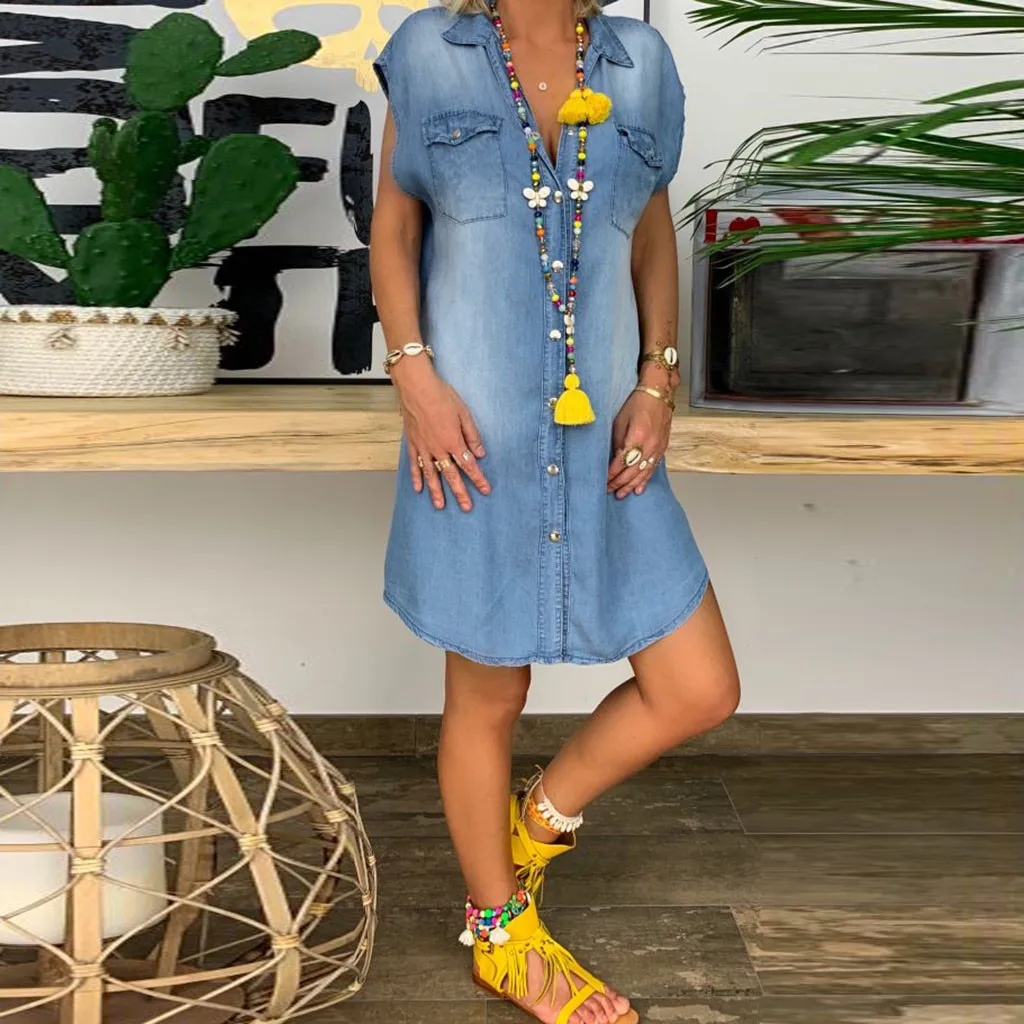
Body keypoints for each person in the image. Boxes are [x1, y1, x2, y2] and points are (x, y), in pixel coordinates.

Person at [370, 2, 740, 1021]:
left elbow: (650, 229)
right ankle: (503, 937)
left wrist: (659, 379)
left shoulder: (642, 62)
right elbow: (395, 226)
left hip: (604, 440)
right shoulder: (428, 51)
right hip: (474, 440)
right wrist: (415, 381)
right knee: (487, 695)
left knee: (699, 687)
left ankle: (532, 826)